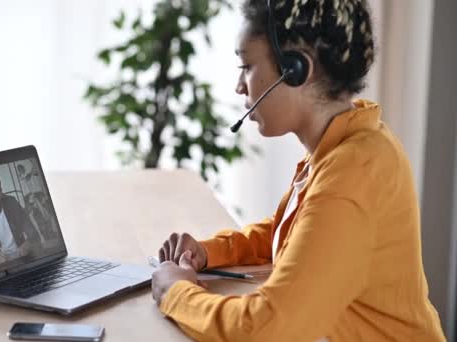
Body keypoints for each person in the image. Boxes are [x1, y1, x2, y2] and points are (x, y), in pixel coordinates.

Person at [151, 0, 446, 341]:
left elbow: (267, 329)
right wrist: (208, 252)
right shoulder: (344, 145)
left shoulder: (354, 172)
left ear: (295, 70)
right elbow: (297, 235)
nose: (239, 86)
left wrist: (177, 293)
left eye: (246, 66)